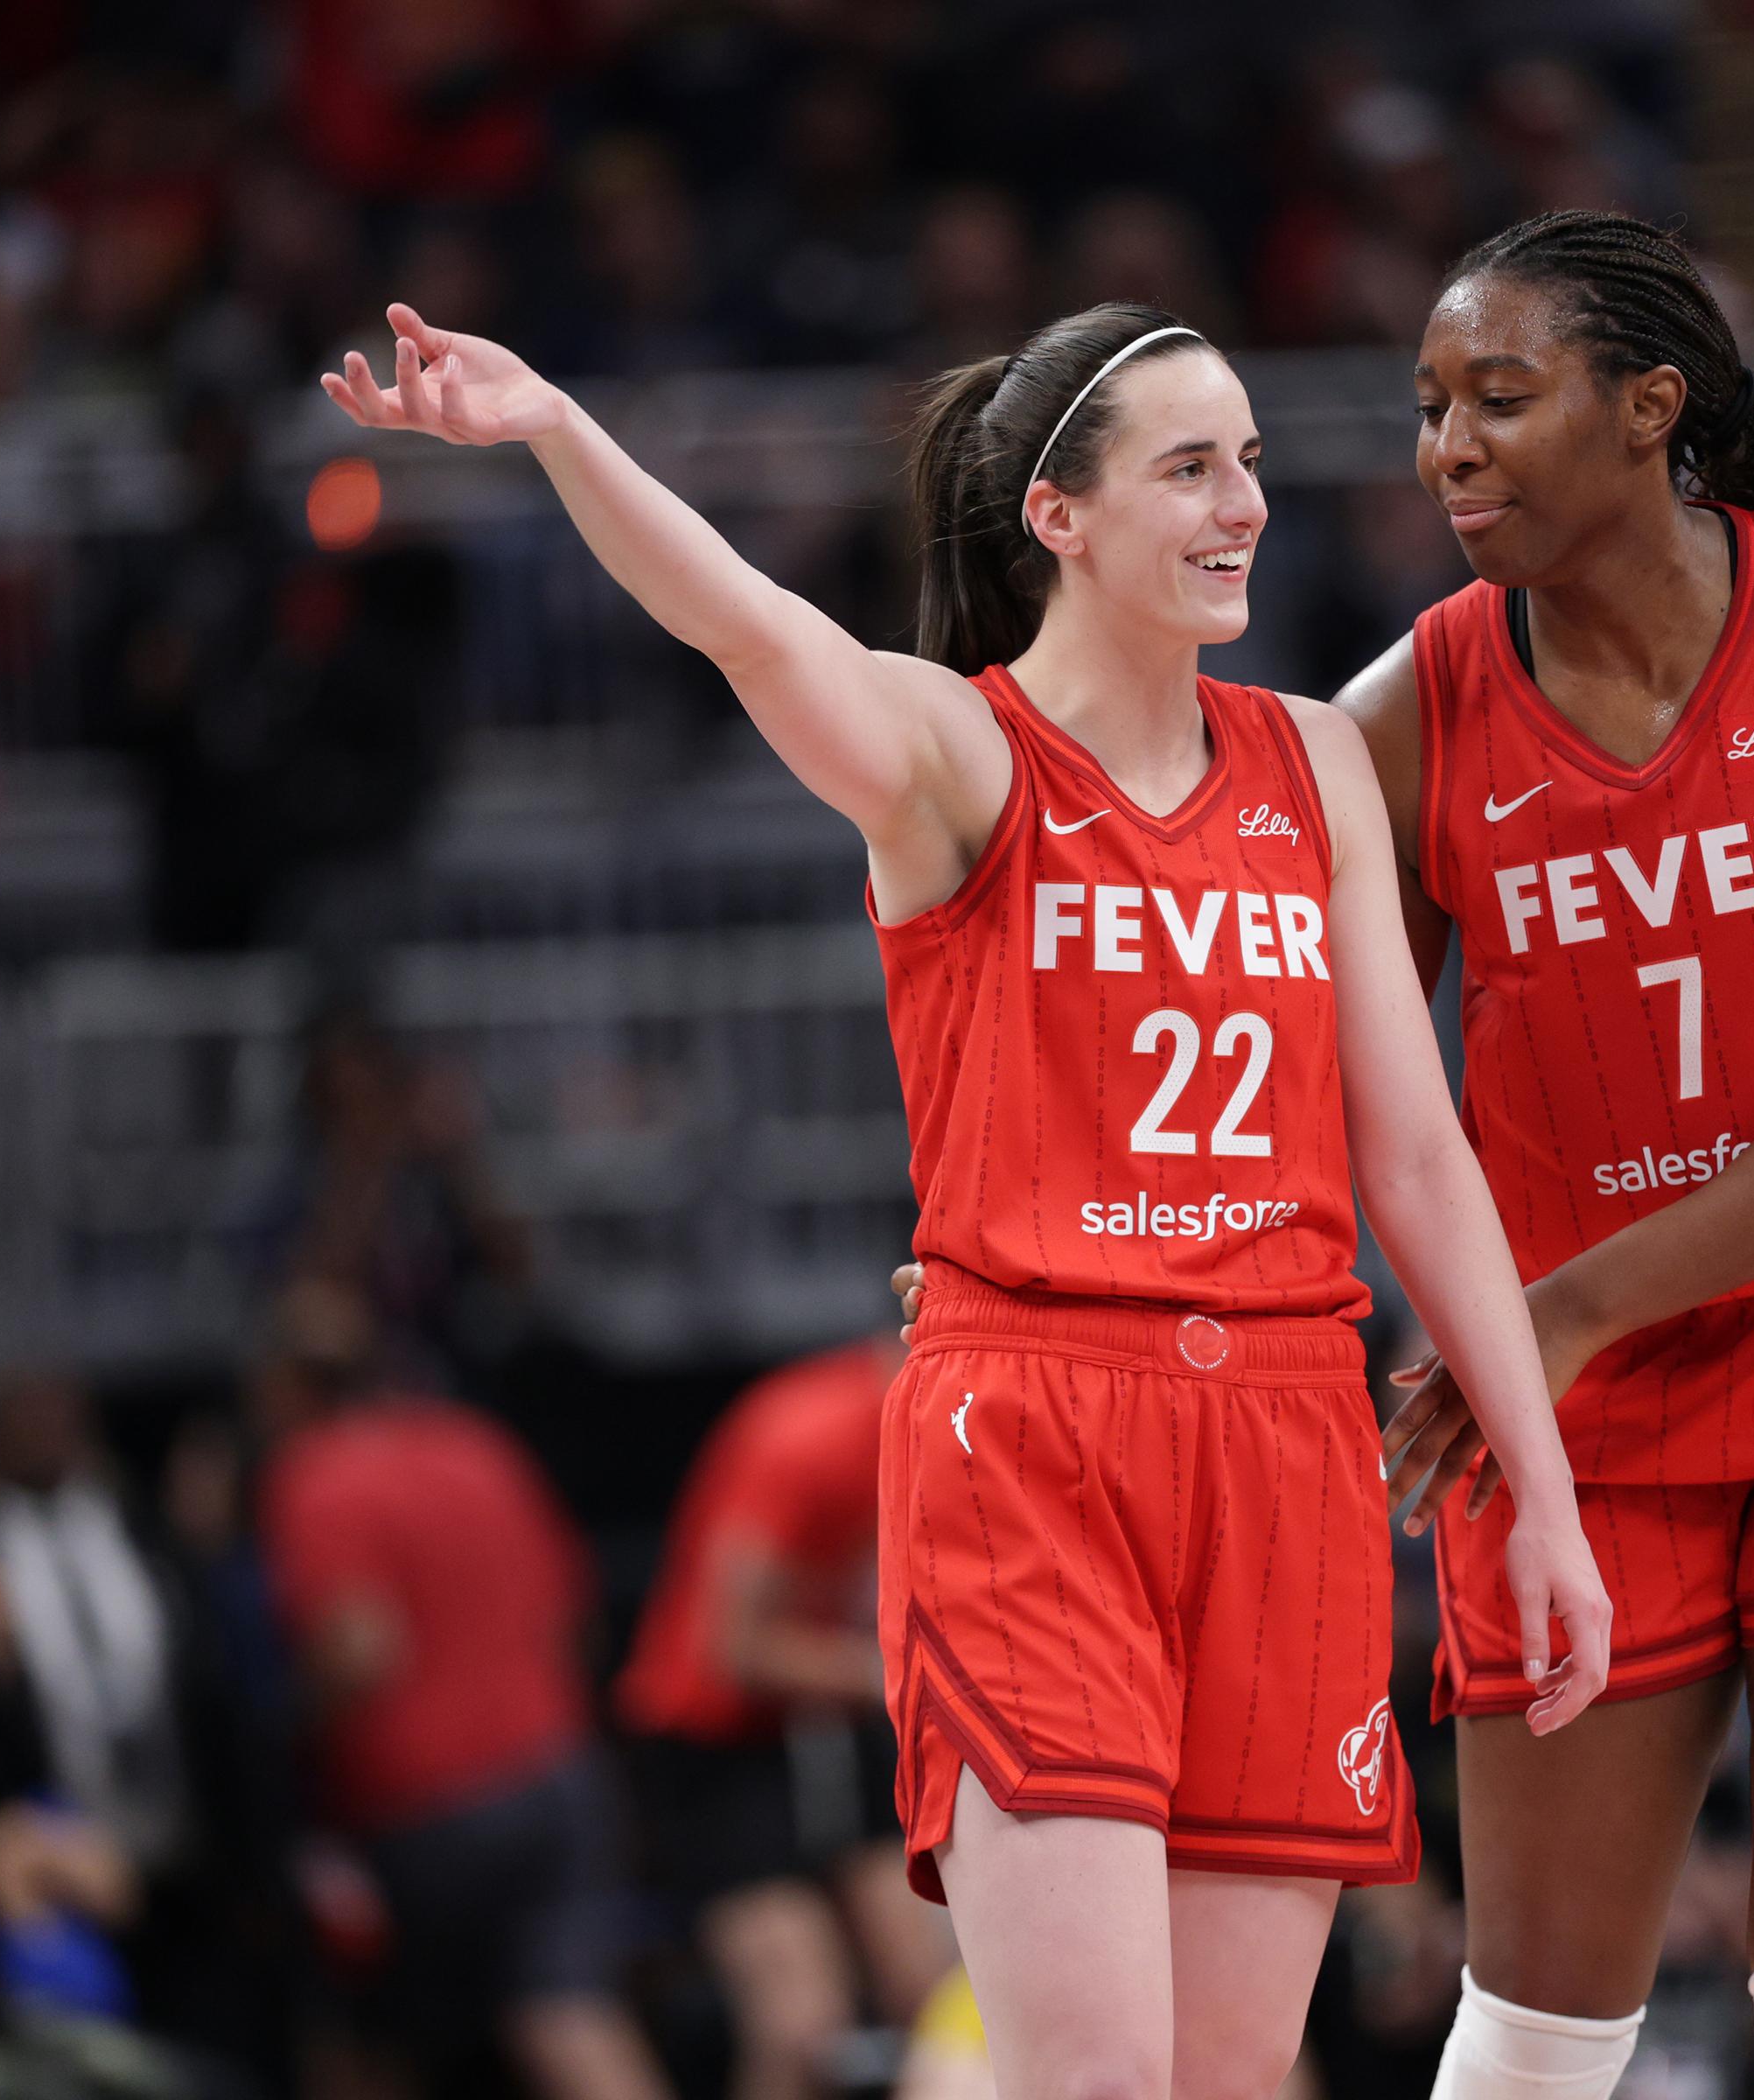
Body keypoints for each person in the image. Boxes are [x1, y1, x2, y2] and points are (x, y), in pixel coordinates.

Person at [324, 297, 1609, 2100]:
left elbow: (1412, 1154)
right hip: (1038, 1440)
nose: (1245, 502)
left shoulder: (1315, 758)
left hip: (1289, 1441)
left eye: (1249, 459)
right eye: (1189, 467)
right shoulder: (958, 755)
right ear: (1061, 519)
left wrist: (1539, 1492)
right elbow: (742, 625)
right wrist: (555, 428)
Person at [912, 207, 1754, 2100]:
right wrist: (1032, 1239)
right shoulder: (1401, 720)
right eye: (1428, 406)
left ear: (1651, 410)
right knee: (1538, 2026)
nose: (1445, 446)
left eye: (1500, 399)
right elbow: (1282, 1060)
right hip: (1574, 1377)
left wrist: (1576, 1305)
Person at [252, 1284, 661, 2100]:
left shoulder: (315, 1477)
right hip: (560, 1779)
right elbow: (574, 1625)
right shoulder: (477, 1445)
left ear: (290, 1388)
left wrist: (282, 1738)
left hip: (426, 1808)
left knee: (363, 2044)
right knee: (571, 2019)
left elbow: (358, 1653)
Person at [614, 1334, 951, 2100]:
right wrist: (902, 1678)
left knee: (935, 1991)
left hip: (834, 1722)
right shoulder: (808, 1438)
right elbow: (732, 1647)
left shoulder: (955, 1433)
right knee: (801, 2023)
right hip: (718, 1741)